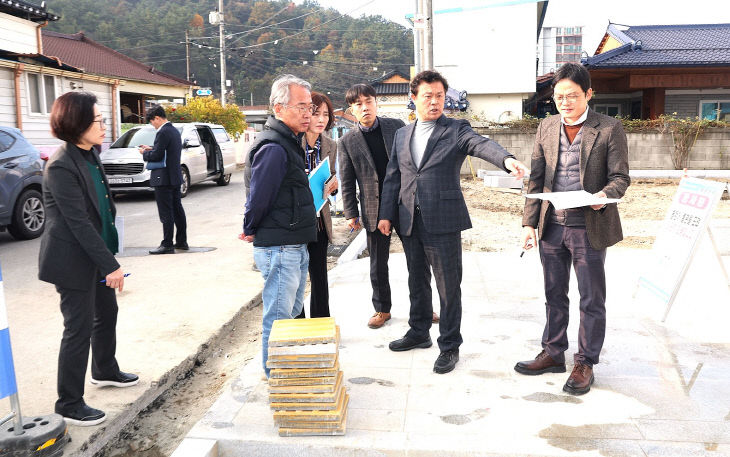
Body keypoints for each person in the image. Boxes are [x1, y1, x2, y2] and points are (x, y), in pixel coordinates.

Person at [377, 70, 528, 374]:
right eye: (427, 96)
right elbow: (394, 176)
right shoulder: (402, 135)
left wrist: (506, 159)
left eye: (439, 96)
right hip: (408, 219)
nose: (434, 102)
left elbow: (481, 144)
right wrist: (385, 213)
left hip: (443, 219)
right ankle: (419, 332)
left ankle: (449, 345)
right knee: (416, 280)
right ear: (414, 98)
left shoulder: (456, 129)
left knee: (448, 286)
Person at [515, 62, 630, 395]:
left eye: (573, 96)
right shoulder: (546, 128)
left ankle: (585, 363)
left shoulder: (609, 128)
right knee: (554, 294)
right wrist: (528, 223)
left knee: (591, 298)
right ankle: (553, 352)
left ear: (588, 94)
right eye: (559, 96)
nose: (565, 102)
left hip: (589, 227)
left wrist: (603, 197)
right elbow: (536, 178)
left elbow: (621, 178)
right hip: (551, 225)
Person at [39, 91, 138, 427]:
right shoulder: (61, 164)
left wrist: (108, 256)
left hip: (95, 255)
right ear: (75, 122)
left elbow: (101, 207)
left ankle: (104, 369)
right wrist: (111, 265)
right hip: (71, 261)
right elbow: (77, 222)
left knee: (106, 311)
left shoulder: (89, 153)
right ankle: (68, 402)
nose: (102, 126)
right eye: (97, 120)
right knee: (77, 328)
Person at [241, 75, 317, 377]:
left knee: (289, 310)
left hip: (292, 241)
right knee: (278, 314)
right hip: (280, 245)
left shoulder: (288, 142)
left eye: (309, 107)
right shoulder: (274, 146)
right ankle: (275, 374)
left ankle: (283, 369)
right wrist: (249, 226)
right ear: (279, 108)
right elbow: (259, 195)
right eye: (300, 107)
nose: (307, 113)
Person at [339, 84, 423, 329]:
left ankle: (423, 308)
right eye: (358, 104)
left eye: (368, 101)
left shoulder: (395, 126)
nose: (365, 107)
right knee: (377, 262)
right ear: (351, 110)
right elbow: (347, 179)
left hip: (404, 203)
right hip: (373, 209)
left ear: (376, 103)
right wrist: (350, 213)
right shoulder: (347, 141)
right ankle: (382, 309)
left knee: (416, 259)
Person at [296, 91, 339, 318]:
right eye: (315, 113)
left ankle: (322, 321)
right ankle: (299, 324)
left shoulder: (330, 145)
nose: (321, 119)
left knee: (320, 275)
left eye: (325, 114)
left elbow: (330, 177)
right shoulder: (293, 143)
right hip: (297, 221)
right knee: (298, 276)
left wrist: (334, 185)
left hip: (320, 219)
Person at [139, 105, 187, 254]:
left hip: (163, 178)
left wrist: (144, 153)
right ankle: (181, 241)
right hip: (174, 177)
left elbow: (157, 156)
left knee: (166, 213)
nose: (152, 125)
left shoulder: (163, 132)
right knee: (177, 210)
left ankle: (167, 244)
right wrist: (151, 148)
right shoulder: (173, 131)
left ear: (158, 118)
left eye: (152, 121)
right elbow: (165, 150)